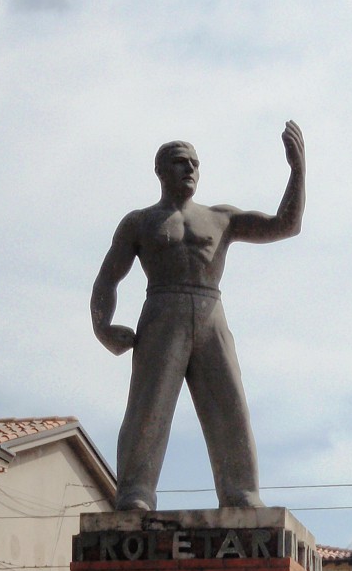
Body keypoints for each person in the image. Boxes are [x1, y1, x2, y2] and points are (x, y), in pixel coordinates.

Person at [91, 121, 306, 511]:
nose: (189, 168)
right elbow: (108, 277)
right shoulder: (140, 222)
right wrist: (104, 327)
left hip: (210, 311)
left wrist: (297, 171)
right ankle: (136, 491)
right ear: (160, 171)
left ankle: (241, 491)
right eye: (179, 162)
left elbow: (284, 226)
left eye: (194, 162)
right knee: (148, 405)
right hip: (162, 309)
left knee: (230, 404)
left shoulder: (221, 218)